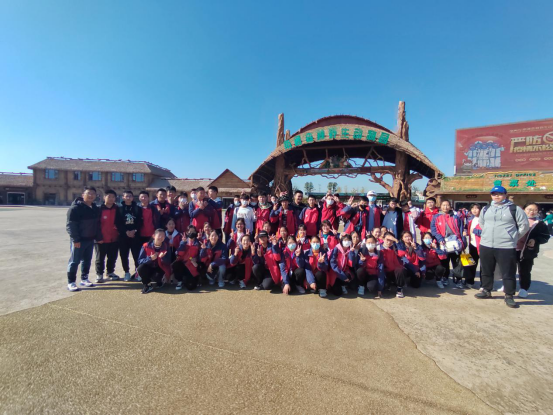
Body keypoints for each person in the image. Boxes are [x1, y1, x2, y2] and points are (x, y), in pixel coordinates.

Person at [475, 186, 529, 308]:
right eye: (494, 194)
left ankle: (509, 295)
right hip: (486, 244)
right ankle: (486, 290)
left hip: (506, 246)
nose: (497, 196)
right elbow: (482, 223)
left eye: (499, 194)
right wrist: (487, 234)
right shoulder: (486, 209)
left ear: (505, 195)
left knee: (508, 272)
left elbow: (524, 226)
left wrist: (513, 237)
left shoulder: (514, 209)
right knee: (486, 269)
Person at [497, 203, 550, 298]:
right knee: (508, 269)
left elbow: (545, 237)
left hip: (527, 251)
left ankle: (524, 289)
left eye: (535, 210)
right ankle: (507, 286)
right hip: (512, 249)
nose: (532, 212)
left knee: (525, 270)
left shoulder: (540, 223)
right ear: (524, 210)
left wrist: (536, 240)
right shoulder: (515, 220)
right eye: (529, 209)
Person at [66, 186, 102, 291]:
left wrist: (98, 237)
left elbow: (97, 225)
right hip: (79, 240)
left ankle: (84, 278)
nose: (91, 195)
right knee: (74, 261)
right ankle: (71, 282)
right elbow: (71, 225)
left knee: (87, 260)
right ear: (83, 195)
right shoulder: (75, 208)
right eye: (88, 193)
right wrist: (75, 239)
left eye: (93, 194)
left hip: (90, 239)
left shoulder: (94, 208)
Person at [430, 199, 465, 288]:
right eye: (443, 205)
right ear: (440, 206)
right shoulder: (436, 217)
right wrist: (439, 238)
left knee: (457, 262)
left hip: (455, 242)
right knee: (444, 261)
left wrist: (463, 242)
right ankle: (445, 277)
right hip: (443, 242)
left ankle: (458, 279)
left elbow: (461, 230)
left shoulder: (456, 217)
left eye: (447, 205)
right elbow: (434, 230)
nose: (445, 207)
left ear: (450, 206)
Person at [95, 190, 122, 283]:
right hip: (101, 238)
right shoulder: (99, 209)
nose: (111, 199)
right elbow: (96, 225)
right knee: (100, 258)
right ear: (104, 197)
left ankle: (110, 272)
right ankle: (99, 274)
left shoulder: (117, 209)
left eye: (113, 197)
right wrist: (98, 237)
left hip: (114, 238)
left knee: (112, 257)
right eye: (109, 196)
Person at [136, 228, 171, 294]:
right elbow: (140, 260)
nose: (161, 237)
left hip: (159, 267)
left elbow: (168, 261)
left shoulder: (166, 246)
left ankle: (160, 281)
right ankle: (148, 284)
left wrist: (162, 258)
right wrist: (150, 258)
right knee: (140, 268)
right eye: (159, 235)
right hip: (149, 266)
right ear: (154, 236)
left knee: (157, 277)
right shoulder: (146, 246)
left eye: (163, 236)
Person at [118, 190, 143, 281]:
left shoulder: (137, 208)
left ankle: (138, 272)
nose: (128, 198)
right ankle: (126, 272)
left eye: (130, 196)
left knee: (136, 255)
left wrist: (134, 230)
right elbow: (118, 223)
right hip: (123, 236)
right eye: (126, 196)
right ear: (123, 197)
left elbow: (140, 222)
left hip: (135, 235)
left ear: (133, 197)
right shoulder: (120, 209)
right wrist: (126, 231)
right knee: (124, 255)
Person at [172, 225, 202, 291]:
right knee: (176, 265)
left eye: (193, 231)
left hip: (192, 266)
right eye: (190, 231)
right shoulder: (183, 241)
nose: (191, 233)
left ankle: (195, 279)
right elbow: (177, 253)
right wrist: (183, 243)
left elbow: (201, 255)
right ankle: (180, 281)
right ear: (187, 232)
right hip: (184, 264)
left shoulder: (198, 242)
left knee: (190, 287)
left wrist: (196, 259)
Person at [380, 232, 408, 298]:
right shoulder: (379, 248)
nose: (389, 242)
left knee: (400, 270)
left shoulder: (394, 248)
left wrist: (396, 240)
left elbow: (402, 252)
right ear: (383, 239)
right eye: (387, 240)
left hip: (394, 271)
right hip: (384, 272)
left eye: (391, 240)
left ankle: (399, 289)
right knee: (385, 286)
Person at [463, 203, 482, 288]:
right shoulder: (470, 219)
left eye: (477, 208)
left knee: (483, 265)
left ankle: (484, 284)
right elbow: (467, 228)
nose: (474, 210)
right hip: (472, 244)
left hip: (482, 245)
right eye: (472, 208)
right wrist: (465, 231)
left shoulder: (484, 219)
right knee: (471, 263)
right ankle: (470, 281)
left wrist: (475, 231)